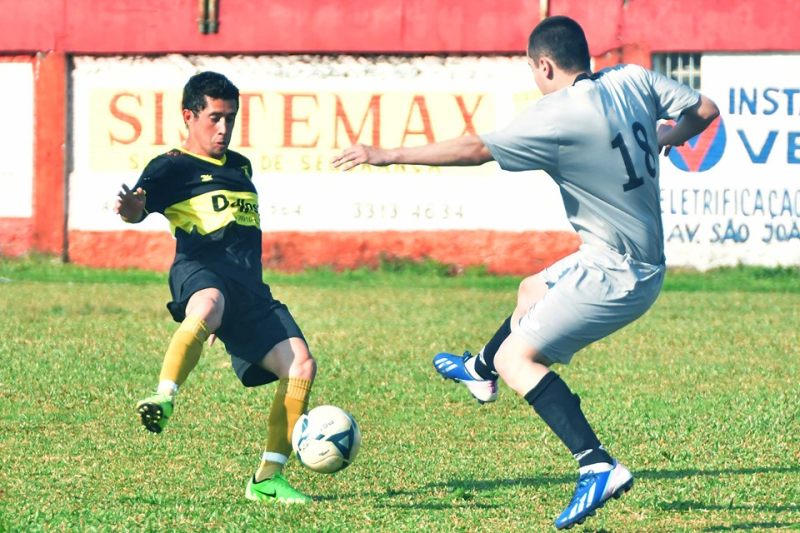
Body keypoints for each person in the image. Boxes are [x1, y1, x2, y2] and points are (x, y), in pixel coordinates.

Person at [332, 16, 719, 529]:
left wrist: (387, 154)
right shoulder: (631, 78)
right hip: (616, 255)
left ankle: (596, 464)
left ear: (545, 65)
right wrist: (669, 134)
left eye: (533, 71)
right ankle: (479, 370)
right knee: (530, 289)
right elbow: (704, 111)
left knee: (518, 359)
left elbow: (475, 149)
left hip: (619, 272)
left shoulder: (556, 114)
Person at [114, 71, 317, 504]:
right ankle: (164, 397)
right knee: (207, 305)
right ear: (189, 116)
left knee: (301, 365)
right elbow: (137, 208)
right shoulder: (172, 166)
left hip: (250, 290)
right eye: (214, 118)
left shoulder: (241, 166)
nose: (223, 128)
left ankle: (267, 479)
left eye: (230, 118)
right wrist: (131, 208)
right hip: (200, 269)